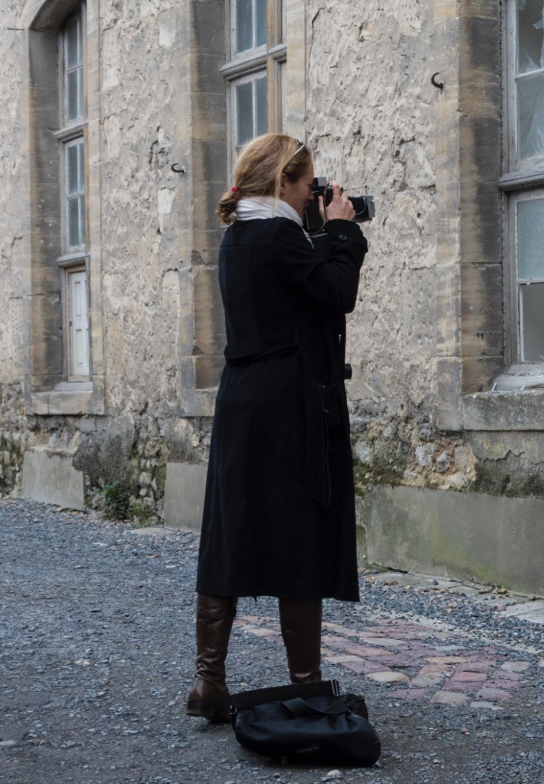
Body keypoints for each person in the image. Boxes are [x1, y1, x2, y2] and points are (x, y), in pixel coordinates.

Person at [186, 133, 368, 722]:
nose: (315, 191)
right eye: (309, 181)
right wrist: (341, 229)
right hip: (287, 405)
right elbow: (336, 293)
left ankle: (209, 682)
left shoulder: (239, 235)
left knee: (230, 530)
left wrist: (317, 231)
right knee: (297, 530)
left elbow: (299, 295)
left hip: (242, 401)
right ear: (285, 183)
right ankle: (306, 681)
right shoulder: (280, 236)